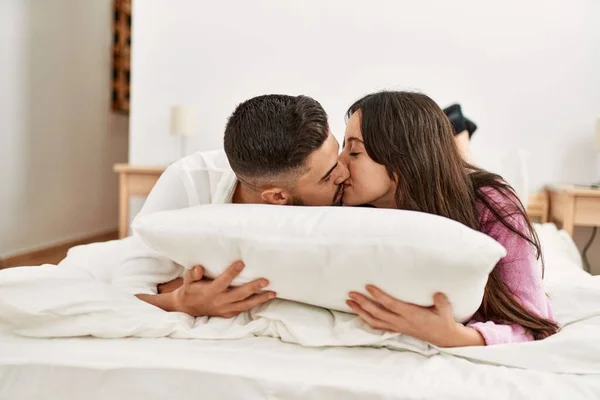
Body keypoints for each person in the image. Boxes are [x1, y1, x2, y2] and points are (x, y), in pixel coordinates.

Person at [339, 91, 558, 347]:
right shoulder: (338, 191)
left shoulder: (492, 201)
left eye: (353, 152)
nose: (339, 164)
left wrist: (453, 336)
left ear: (401, 159)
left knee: (460, 172)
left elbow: (532, 322)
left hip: (452, 183)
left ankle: (459, 130)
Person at [130, 94, 349, 318]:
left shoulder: (356, 185)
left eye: (338, 150)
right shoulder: (188, 181)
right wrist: (179, 302)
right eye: (329, 176)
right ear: (277, 197)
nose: (346, 171)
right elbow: (129, 290)